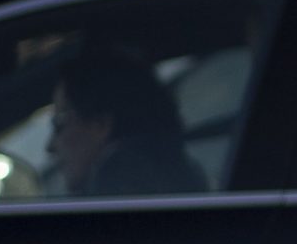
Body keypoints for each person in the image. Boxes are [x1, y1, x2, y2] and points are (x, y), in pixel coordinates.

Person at [48, 46, 206, 198]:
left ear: (100, 124)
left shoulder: (119, 181)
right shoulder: (178, 175)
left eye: (59, 123)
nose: (50, 147)